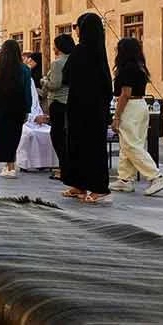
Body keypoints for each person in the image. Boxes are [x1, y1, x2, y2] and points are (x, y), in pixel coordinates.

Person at [109, 38, 163, 196]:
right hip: (140, 106)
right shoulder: (139, 67)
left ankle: (156, 176)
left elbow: (125, 94)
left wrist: (117, 116)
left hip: (130, 106)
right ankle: (125, 179)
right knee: (129, 143)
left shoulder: (127, 68)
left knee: (131, 145)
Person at [62, 13, 113, 205]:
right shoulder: (98, 52)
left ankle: (99, 188)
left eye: (77, 26)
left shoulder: (81, 51)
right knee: (85, 147)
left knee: (86, 148)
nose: (75, 30)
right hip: (93, 109)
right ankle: (80, 185)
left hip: (83, 109)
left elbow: (66, 76)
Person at [0, 39, 32, 179]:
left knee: (3, 134)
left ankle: (8, 165)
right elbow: (27, 91)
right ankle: (11, 164)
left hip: (2, 104)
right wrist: (27, 109)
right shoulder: (24, 68)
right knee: (15, 134)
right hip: (18, 105)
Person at [42, 35, 74, 180]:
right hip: (71, 102)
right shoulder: (74, 60)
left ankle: (64, 168)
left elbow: (55, 84)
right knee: (68, 138)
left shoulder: (57, 63)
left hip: (58, 102)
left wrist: (44, 81)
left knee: (57, 137)